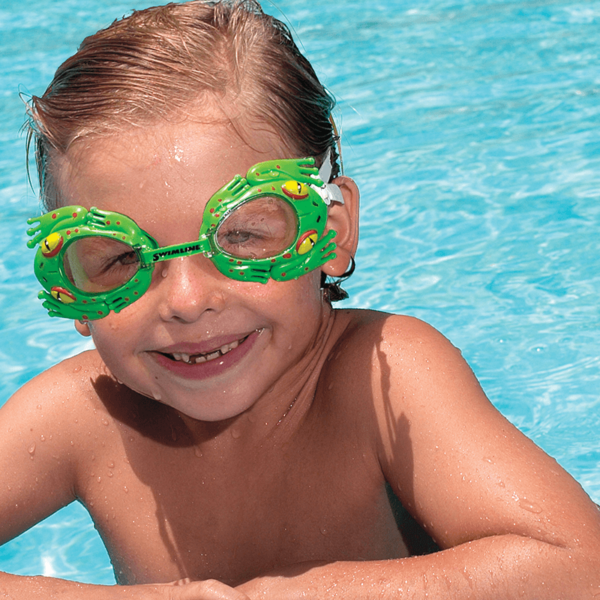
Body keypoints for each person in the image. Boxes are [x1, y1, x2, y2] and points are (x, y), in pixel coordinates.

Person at [2, 0, 599, 598]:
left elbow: (576, 565)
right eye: (119, 259)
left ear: (331, 235)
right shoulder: (82, 415)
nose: (185, 299)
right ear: (75, 292)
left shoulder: (384, 376)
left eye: (241, 235)